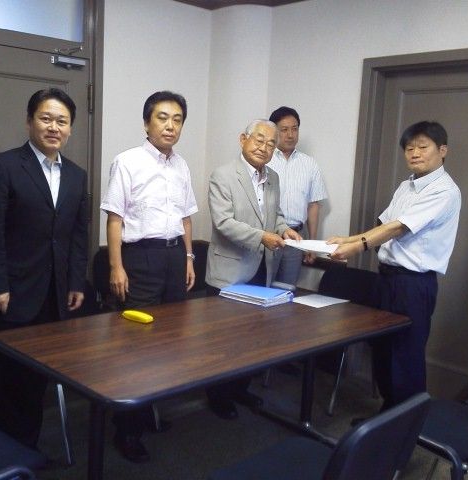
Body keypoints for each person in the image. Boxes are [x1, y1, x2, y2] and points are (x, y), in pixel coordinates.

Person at [0, 88, 88, 447]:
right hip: (9, 294)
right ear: (29, 121)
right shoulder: (2, 166)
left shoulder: (76, 175)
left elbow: (77, 235)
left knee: (35, 378)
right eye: (46, 118)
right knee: (3, 380)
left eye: (62, 121)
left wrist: (76, 282)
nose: (54, 127)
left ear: (70, 128)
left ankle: (27, 450)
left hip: (52, 295)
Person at [327, 120, 461, 411]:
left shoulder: (444, 191)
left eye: (422, 147)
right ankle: (385, 421)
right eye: (409, 148)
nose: (415, 153)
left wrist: (356, 246)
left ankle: (405, 427)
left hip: (413, 285)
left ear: (442, 150)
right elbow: (383, 224)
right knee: (383, 350)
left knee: (406, 356)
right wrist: (347, 239)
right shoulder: (406, 186)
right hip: (386, 279)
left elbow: (398, 227)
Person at [100, 90, 198, 462]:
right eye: (162, 117)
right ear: (146, 123)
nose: (170, 125)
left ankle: (149, 412)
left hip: (174, 257)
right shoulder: (127, 162)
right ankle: (126, 428)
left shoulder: (182, 165)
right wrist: (116, 266)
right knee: (135, 346)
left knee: (169, 340)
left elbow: (186, 218)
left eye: (177, 119)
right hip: (139, 258)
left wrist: (188, 258)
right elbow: (115, 219)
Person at [205, 119, 301, 419]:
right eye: (259, 140)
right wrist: (263, 237)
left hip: (262, 267)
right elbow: (224, 223)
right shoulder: (223, 175)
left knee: (252, 338)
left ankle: (239, 388)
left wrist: (285, 230)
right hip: (229, 271)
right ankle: (218, 396)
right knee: (225, 340)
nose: (264, 148)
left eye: (271, 144)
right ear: (243, 139)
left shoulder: (273, 177)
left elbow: (275, 215)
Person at [268, 106, 327, 285]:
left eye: (294, 129)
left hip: (296, 238)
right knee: (262, 287)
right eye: (284, 129)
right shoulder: (264, 160)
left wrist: (311, 243)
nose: (290, 135)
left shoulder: (309, 164)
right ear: (274, 131)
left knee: (287, 290)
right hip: (268, 235)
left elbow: (313, 206)